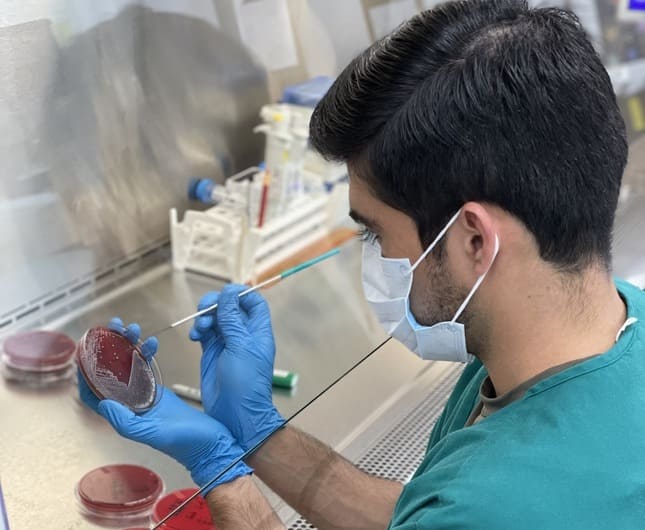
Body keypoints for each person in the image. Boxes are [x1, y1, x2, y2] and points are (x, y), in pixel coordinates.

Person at [80, 0, 645, 528]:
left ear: (475, 241)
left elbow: (463, 512)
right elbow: (424, 510)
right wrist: (256, 433)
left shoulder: (497, 506)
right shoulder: (602, 328)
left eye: (374, 231)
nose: (372, 256)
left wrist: (221, 473)